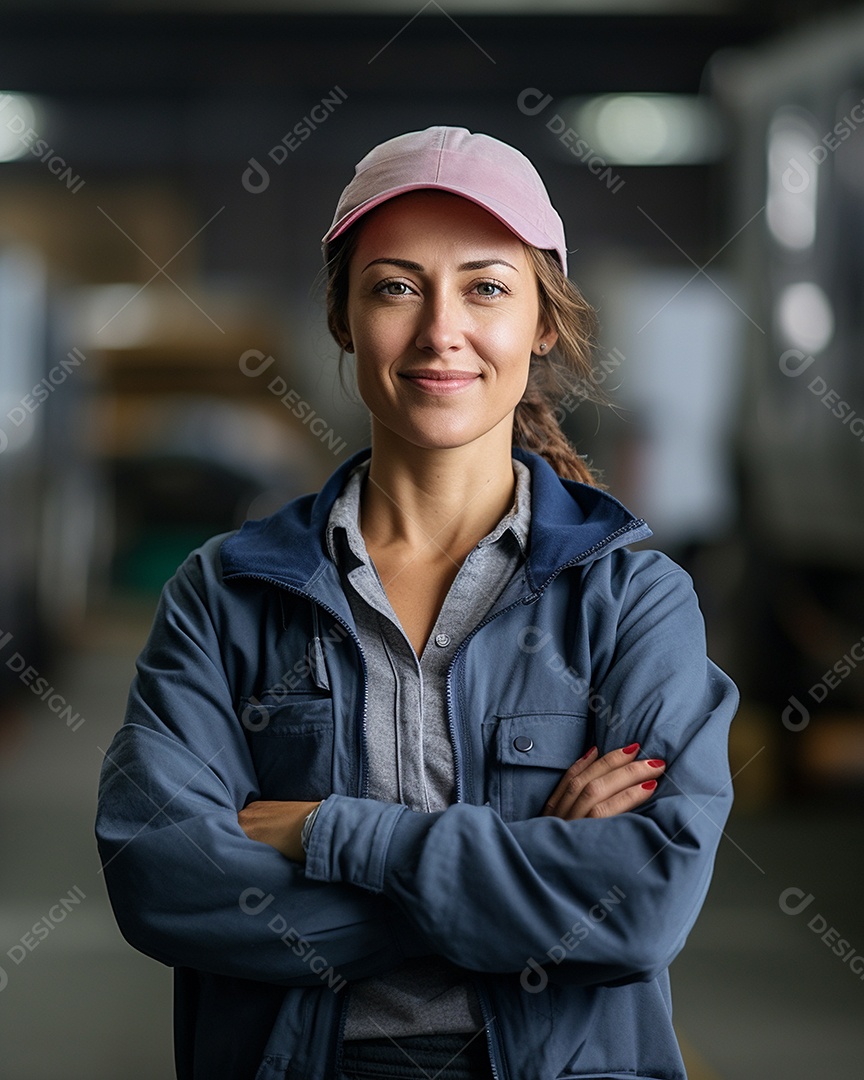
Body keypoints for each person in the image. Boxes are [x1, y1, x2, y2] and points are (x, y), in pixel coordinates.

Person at [95, 126, 738, 1080]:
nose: (443, 330)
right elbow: (163, 879)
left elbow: (640, 909)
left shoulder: (630, 598)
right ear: (345, 317)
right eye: (396, 286)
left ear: (542, 323)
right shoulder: (226, 595)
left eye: (486, 287)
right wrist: (521, 873)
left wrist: (331, 832)